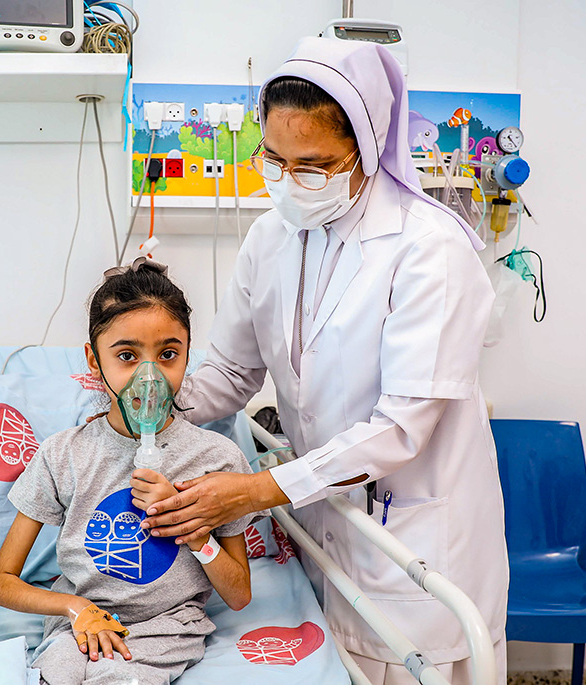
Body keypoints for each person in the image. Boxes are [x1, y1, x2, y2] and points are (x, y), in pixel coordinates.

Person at [140, 37, 509, 683]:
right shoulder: (269, 236)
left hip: (413, 533)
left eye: (314, 165)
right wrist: (149, 389)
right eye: (273, 160)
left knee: (413, 663)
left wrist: (254, 490)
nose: (289, 182)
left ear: (365, 150)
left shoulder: (428, 249)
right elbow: (231, 371)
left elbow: (400, 427)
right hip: (324, 519)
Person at [0, 258, 255, 685]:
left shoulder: (216, 459)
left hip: (167, 628)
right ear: (94, 361)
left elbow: (238, 594)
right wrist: (74, 608)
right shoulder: (63, 456)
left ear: (187, 355)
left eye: (168, 354)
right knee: (53, 676)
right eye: (127, 355)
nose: (150, 377)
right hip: (80, 624)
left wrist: (194, 529)